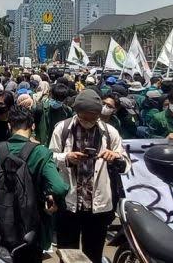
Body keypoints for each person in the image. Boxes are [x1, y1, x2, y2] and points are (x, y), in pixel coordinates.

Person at [49, 89, 131, 263]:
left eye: (94, 117)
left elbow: (125, 164)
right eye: (85, 117)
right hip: (69, 204)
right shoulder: (62, 129)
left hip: (98, 207)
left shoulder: (110, 132)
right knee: (67, 253)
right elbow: (51, 158)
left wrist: (114, 157)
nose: (89, 121)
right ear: (77, 112)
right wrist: (67, 157)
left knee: (93, 254)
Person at [0, 105, 69, 261]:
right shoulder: (41, 152)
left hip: (0, 229)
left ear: (9, 126)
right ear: (33, 126)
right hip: (32, 231)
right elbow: (58, 187)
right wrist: (48, 197)